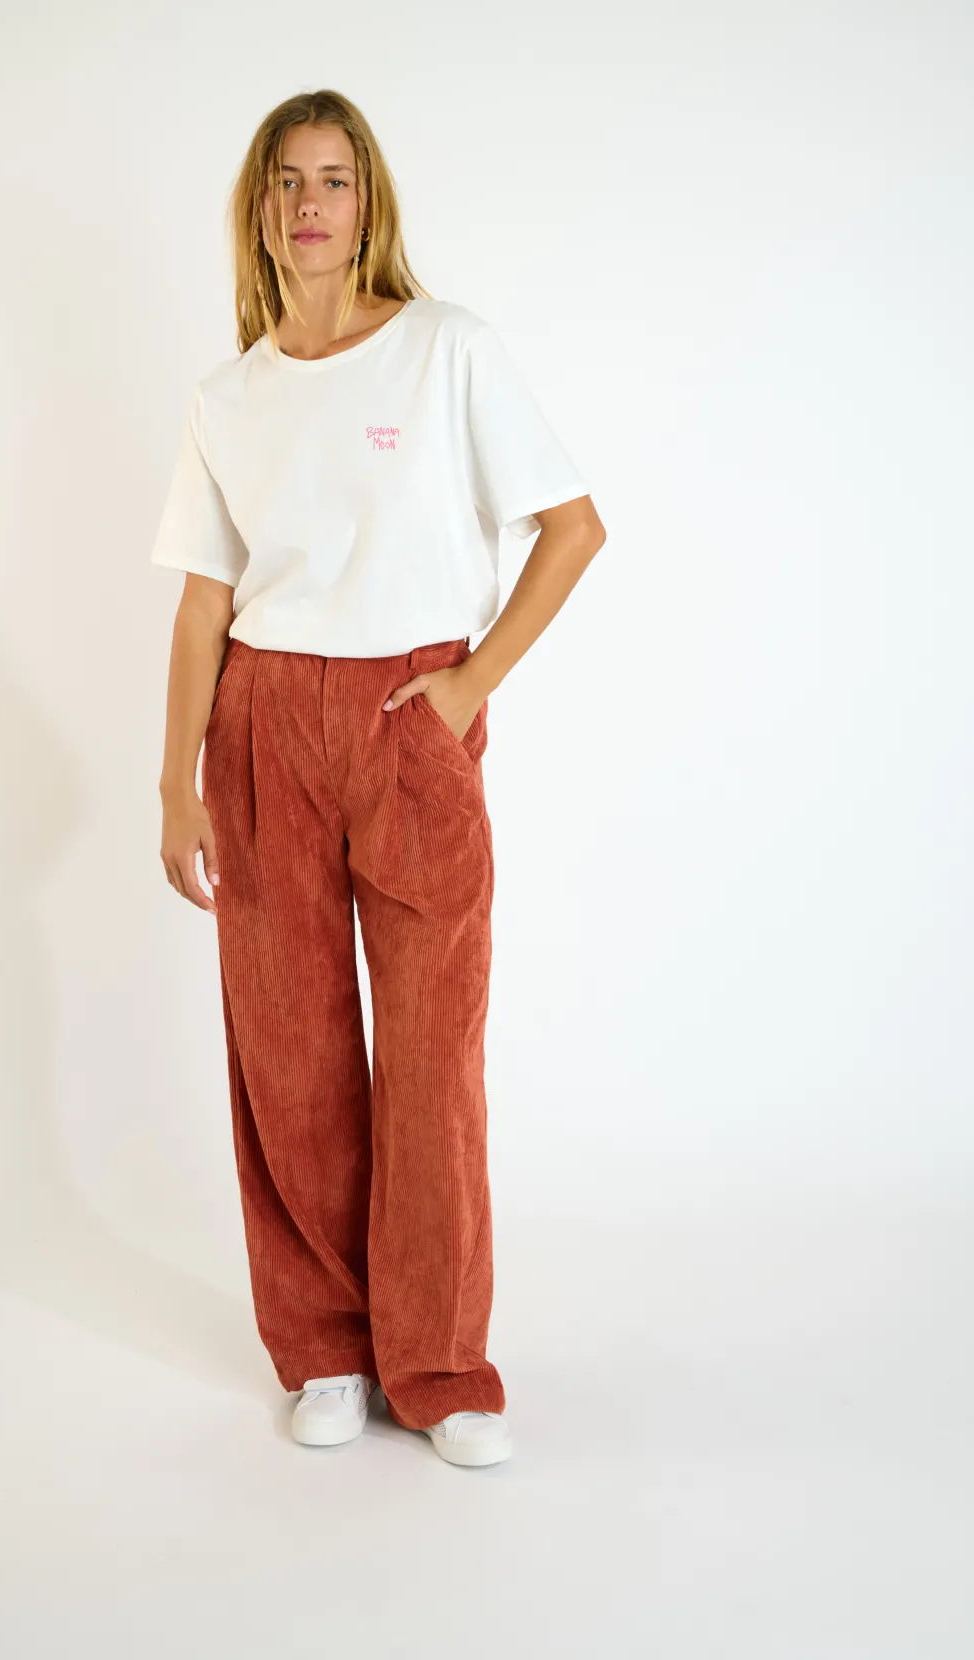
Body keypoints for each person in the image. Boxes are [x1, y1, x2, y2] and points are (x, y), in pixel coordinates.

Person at [152, 88, 606, 1469]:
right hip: (260, 721)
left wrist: (468, 686)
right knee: (289, 1054)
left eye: (334, 179)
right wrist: (174, 782)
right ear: (258, 210)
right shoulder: (227, 397)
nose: (310, 203)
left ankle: (441, 1364)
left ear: (368, 206)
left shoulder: (445, 349)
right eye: (286, 180)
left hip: (411, 714)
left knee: (430, 1053)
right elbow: (202, 602)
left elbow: (573, 529)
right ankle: (327, 1348)